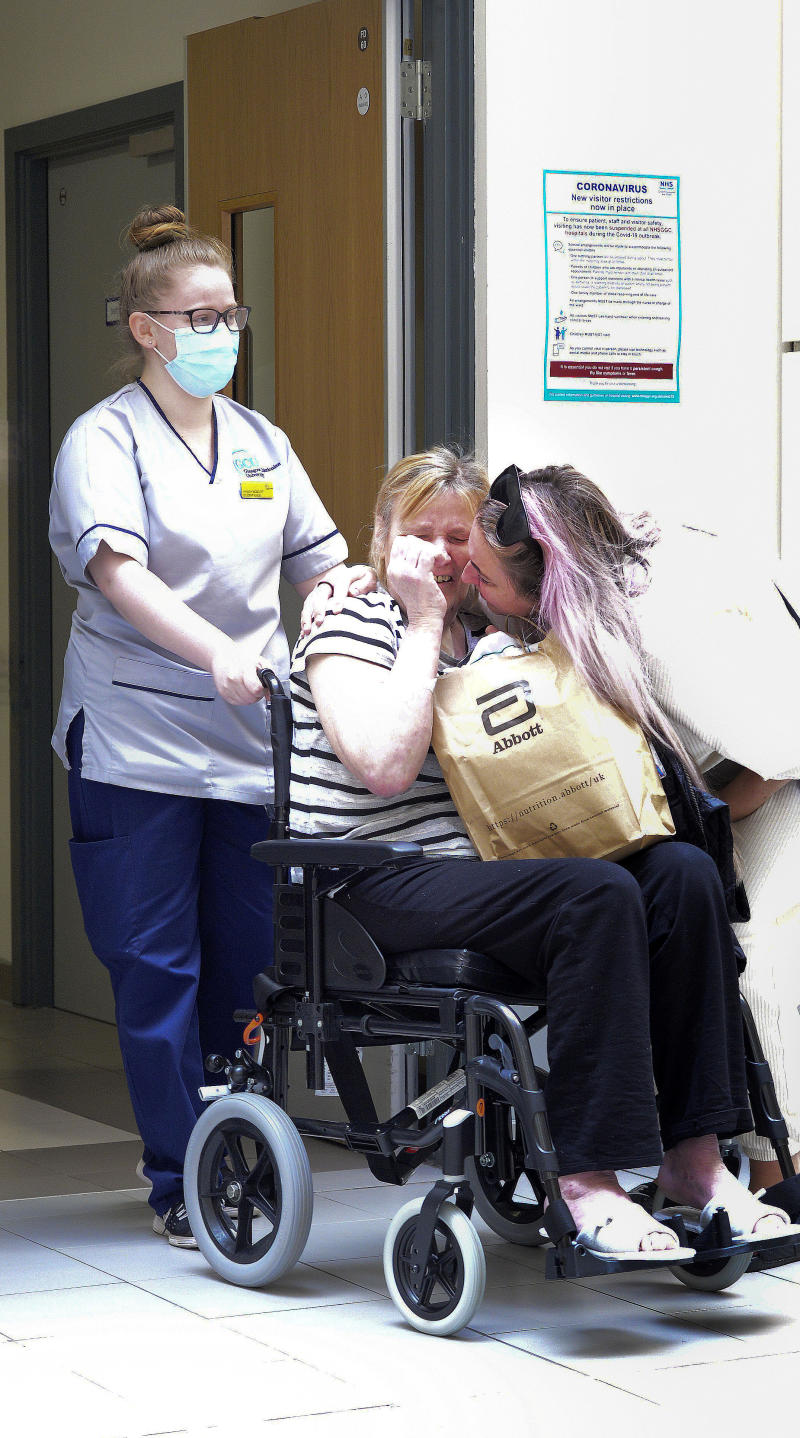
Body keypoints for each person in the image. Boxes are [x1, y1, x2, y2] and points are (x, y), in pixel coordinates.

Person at [289, 446, 798, 1258]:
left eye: (460, 538)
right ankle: (587, 1182)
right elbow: (382, 768)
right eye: (419, 535)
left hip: (485, 877)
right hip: (369, 883)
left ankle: (694, 1162)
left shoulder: (493, 639)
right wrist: (420, 618)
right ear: (380, 540)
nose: (443, 556)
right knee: (592, 894)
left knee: (683, 874)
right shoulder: (349, 619)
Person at [463, 463, 800, 1263]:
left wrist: (697, 839)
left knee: (748, 959)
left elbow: (784, 753)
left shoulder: (658, 638)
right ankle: (705, 1163)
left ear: (541, 575)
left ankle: (781, 1185)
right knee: (698, 914)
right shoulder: (590, 597)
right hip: (775, 753)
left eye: (484, 576)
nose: (474, 589)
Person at [49, 204, 367, 1247]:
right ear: (146, 327)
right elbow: (118, 572)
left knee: (244, 969)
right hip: (136, 739)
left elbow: (319, 561)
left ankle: (239, 1155)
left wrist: (341, 617)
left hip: (243, 749)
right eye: (200, 315)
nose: (222, 332)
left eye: (231, 313)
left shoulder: (263, 441)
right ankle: (179, 1178)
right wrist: (219, 650)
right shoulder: (103, 440)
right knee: (158, 969)